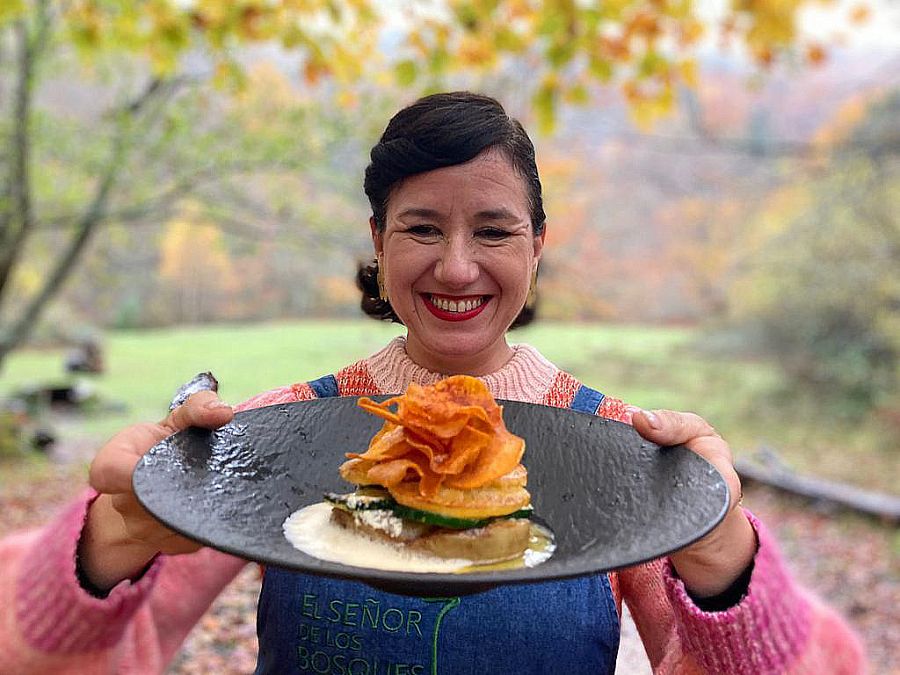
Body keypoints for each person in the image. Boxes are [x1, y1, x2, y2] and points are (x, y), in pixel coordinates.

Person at [0, 92, 864, 674]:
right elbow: (63, 647)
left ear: (538, 246)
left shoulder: (618, 450)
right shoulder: (282, 430)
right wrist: (103, 548)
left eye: (493, 229)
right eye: (421, 227)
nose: (457, 266)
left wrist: (728, 564)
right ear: (378, 241)